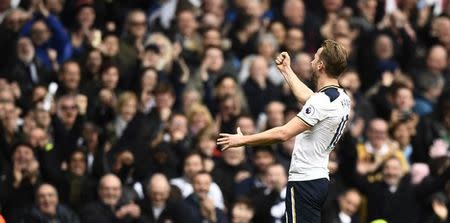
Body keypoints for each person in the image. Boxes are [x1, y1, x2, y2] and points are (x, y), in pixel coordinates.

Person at [218, 40, 350, 222]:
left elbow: (284, 133)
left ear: (321, 65)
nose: (311, 61)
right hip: (319, 178)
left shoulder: (322, 102)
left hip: (305, 182)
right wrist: (287, 70)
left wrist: (243, 140)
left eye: (315, 58)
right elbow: (309, 98)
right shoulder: (341, 97)